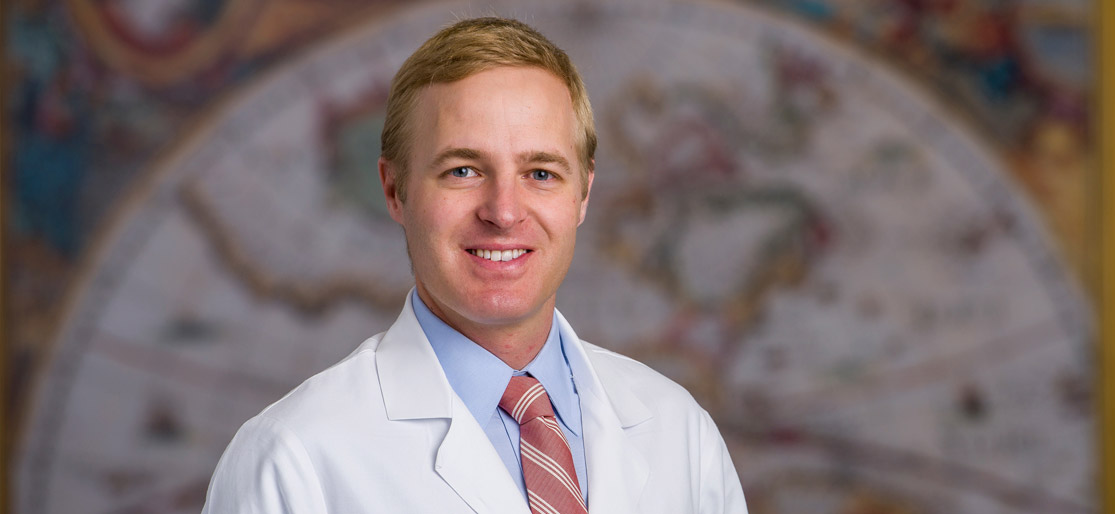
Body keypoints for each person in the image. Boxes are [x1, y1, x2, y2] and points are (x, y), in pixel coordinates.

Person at [202, 17, 747, 514]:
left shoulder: (680, 432)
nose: (504, 212)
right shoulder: (293, 458)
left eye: (540, 173)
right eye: (463, 170)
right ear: (395, 190)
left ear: (583, 193)